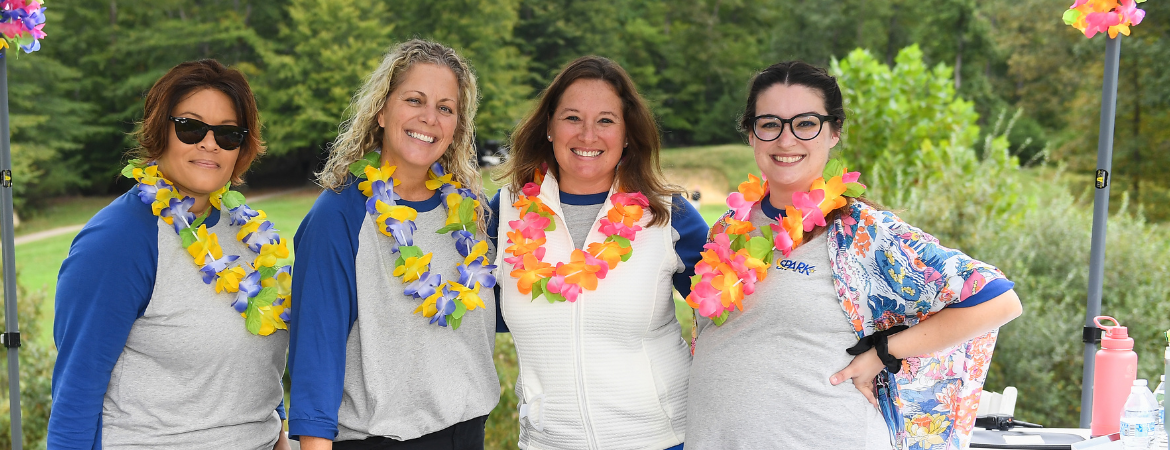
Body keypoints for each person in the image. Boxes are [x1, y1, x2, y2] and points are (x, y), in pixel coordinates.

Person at [682, 61, 1023, 450]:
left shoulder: (862, 231)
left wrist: (885, 352)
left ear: (834, 132)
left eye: (806, 123)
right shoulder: (730, 225)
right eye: (770, 123)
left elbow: (999, 300)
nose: (786, 139)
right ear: (751, 133)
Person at [47, 59, 291, 449]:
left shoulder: (248, 233)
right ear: (161, 128)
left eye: (228, 134)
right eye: (191, 127)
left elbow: (253, 351)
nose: (209, 143)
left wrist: (275, 424)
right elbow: (75, 393)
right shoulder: (118, 241)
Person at [287, 39, 498, 450]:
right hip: (381, 440)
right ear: (382, 111)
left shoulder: (471, 214)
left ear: (458, 124)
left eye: (445, 108)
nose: (429, 119)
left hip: (468, 434)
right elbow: (316, 355)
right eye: (414, 100)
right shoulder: (339, 217)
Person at [489, 55, 708, 450]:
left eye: (606, 120)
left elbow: (736, 312)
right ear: (550, 128)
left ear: (627, 133)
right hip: (546, 442)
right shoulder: (503, 212)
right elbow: (471, 315)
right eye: (572, 118)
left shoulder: (666, 211)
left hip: (660, 440)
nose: (588, 135)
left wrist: (861, 346)